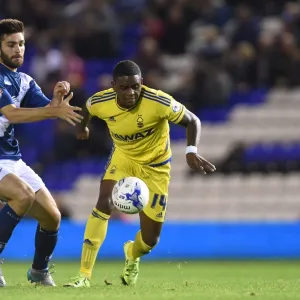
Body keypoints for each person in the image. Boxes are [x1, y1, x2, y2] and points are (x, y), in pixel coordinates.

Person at [64, 60, 215, 288]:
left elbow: (193, 120)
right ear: (113, 86)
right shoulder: (101, 101)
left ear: (141, 83)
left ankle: (132, 253)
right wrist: (82, 127)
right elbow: (87, 108)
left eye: (135, 86)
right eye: (124, 87)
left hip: (156, 167)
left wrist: (191, 151)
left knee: (150, 240)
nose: (131, 92)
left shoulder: (158, 101)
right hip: (124, 158)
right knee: (103, 203)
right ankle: (84, 275)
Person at [0, 19, 83, 287]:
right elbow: (11, 113)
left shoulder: (24, 80)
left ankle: (39, 271)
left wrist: (57, 99)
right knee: (22, 195)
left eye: (21, 44)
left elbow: (48, 109)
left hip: (11, 158)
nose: (18, 49)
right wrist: (52, 110)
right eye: (11, 44)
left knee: (52, 216)